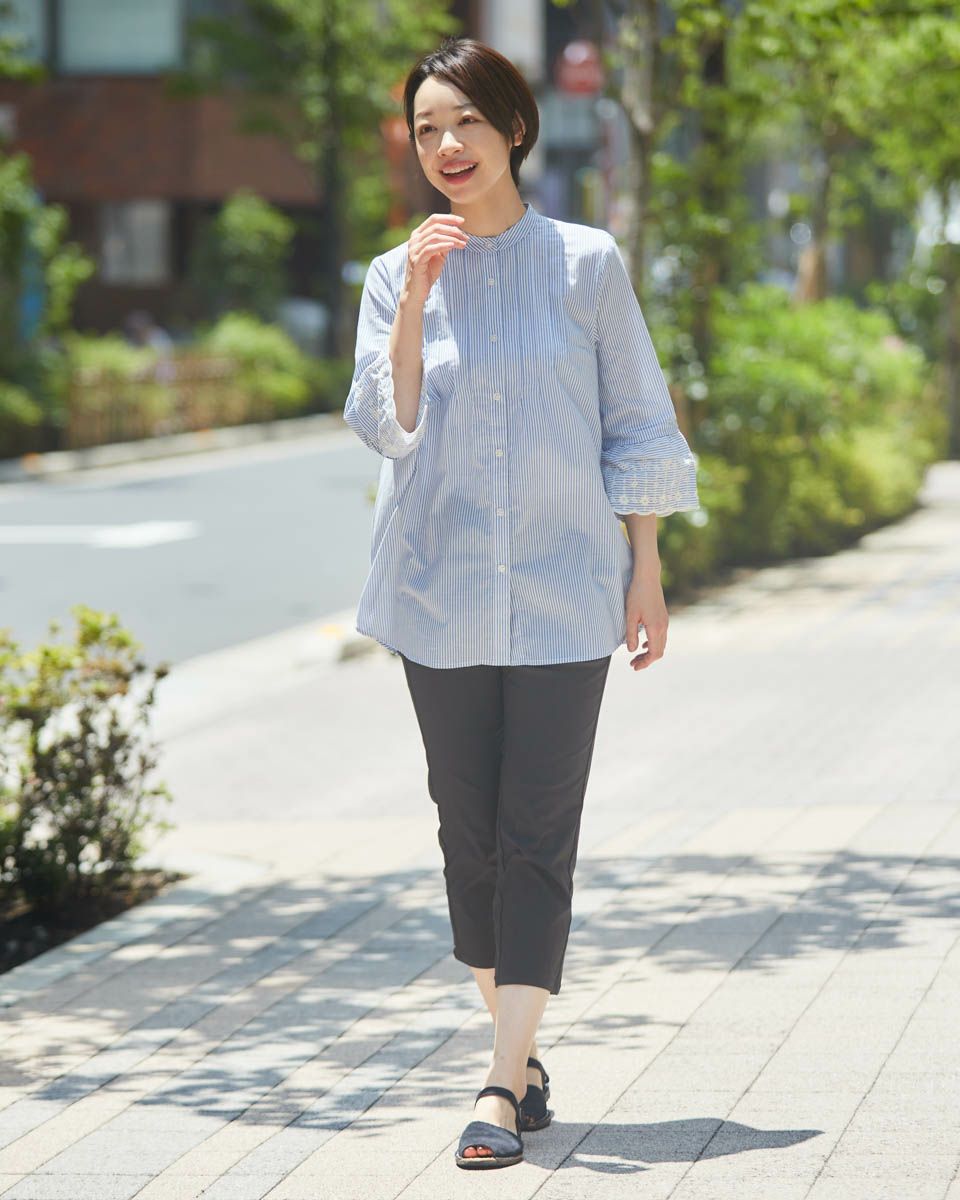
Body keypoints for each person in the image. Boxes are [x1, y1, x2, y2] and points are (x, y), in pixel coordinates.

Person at [343, 36, 700, 1170]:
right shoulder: (394, 276)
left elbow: (635, 419)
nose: (446, 145)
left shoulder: (585, 263)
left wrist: (645, 567)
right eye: (427, 128)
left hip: (562, 589)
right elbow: (388, 426)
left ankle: (499, 1082)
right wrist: (418, 299)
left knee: (538, 832)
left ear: (514, 129)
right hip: (437, 592)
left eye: (466, 122)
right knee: (471, 839)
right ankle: (526, 1052)